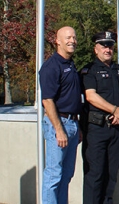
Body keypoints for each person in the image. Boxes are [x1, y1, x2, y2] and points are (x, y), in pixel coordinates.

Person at [81, 31, 119, 204]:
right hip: (96, 131)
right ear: (95, 49)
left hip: (116, 130)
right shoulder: (89, 70)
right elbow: (90, 96)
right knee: (95, 175)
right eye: (103, 45)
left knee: (112, 175)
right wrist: (115, 110)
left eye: (110, 45)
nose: (107, 49)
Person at [39, 26, 83, 204]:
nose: (72, 40)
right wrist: (59, 130)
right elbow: (47, 101)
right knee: (53, 175)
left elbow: (72, 98)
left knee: (66, 175)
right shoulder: (51, 66)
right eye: (68, 37)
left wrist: (77, 126)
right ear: (57, 41)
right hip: (58, 124)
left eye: (74, 37)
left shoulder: (70, 64)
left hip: (72, 124)